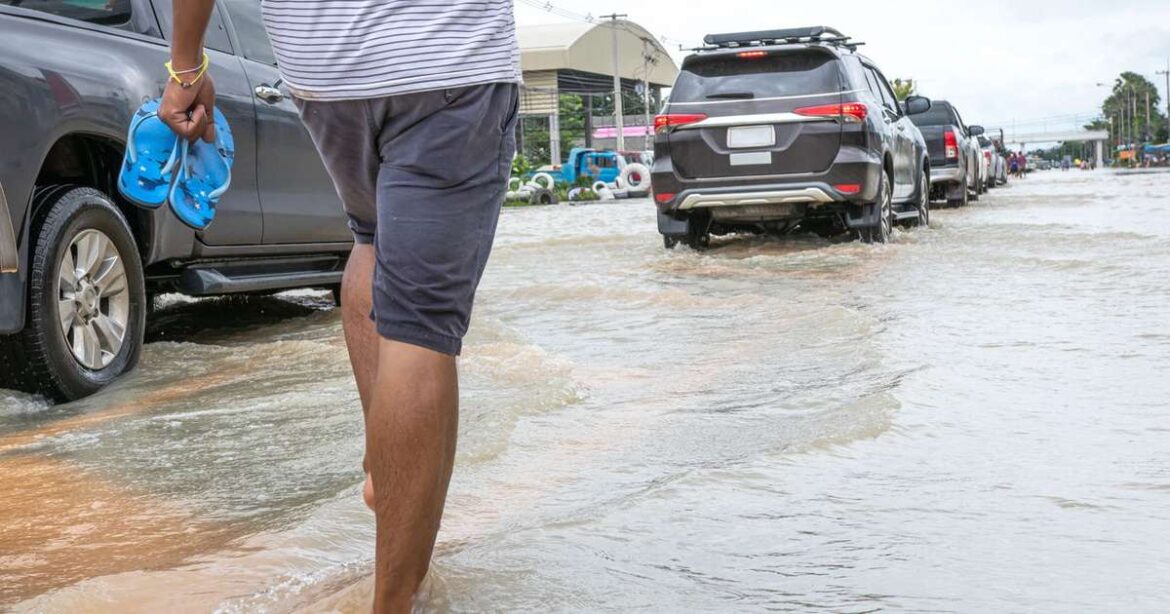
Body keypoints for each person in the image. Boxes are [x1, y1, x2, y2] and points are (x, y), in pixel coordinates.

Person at [159, 1, 520, 611]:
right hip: (446, 61)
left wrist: (186, 68)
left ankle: (387, 466)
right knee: (421, 327)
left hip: (326, 74)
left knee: (371, 238)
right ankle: (396, 600)